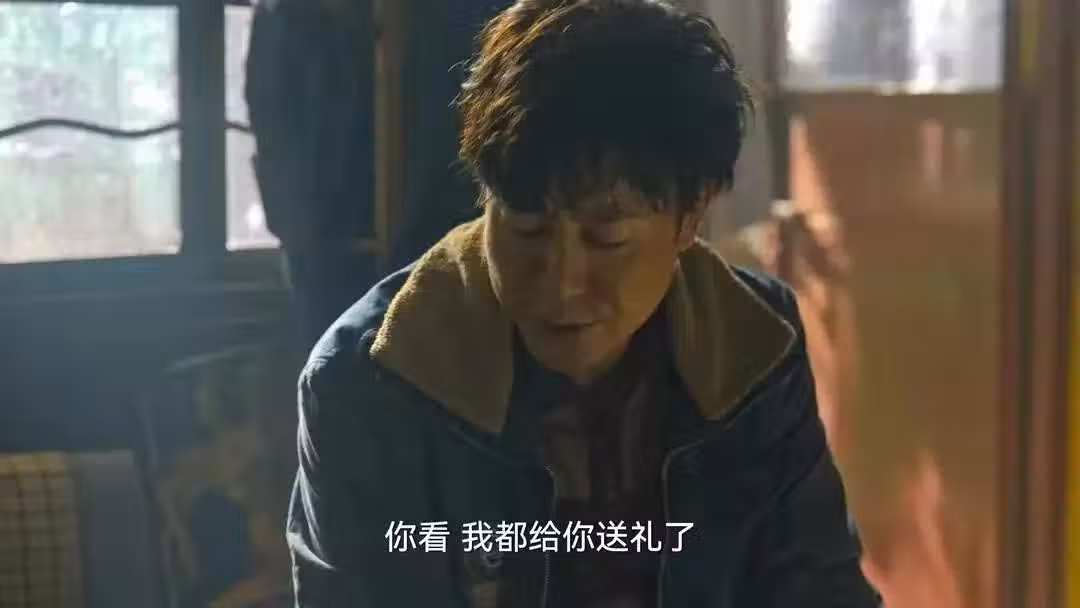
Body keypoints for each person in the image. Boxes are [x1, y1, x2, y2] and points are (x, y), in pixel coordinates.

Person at [286, 1, 882, 606]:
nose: (562, 283)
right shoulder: (376, 376)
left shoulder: (752, 344)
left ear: (691, 215)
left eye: (607, 239)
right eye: (527, 230)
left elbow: (819, 587)